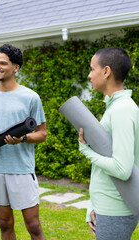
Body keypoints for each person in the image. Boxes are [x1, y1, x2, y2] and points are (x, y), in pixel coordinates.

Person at [0, 44, 47, 240]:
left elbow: (42, 134)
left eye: (3, 63)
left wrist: (23, 138)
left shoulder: (31, 97)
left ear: (16, 68)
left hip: (21, 169)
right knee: (4, 224)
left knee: (34, 225)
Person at [78, 47, 139, 240]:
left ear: (106, 71)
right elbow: (106, 161)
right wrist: (94, 204)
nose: (89, 75)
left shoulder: (122, 110)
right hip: (106, 206)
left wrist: (86, 150)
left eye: (92, 69)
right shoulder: (115, 107)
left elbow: (122, 169)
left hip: (116, 209)